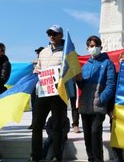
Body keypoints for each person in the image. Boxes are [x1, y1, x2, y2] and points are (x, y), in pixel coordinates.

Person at [30, 25, 80, 162]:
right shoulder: (43, 52)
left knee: (57, 126)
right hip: (43, 92)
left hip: (59, 93)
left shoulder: (68, 51)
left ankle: (57, 156)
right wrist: (36, 70)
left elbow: (75, 70)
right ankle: (35, 156)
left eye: (54, 33)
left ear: (61, 35)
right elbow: (38, 67)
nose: (51, 36)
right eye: (49, 33)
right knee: (37, 125)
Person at [79, 35, 116, 162]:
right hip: (85, 106)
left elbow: (111, 84)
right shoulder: (85, 66)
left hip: (98, 106)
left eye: (96, 46)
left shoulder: (108, 63)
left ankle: (98, 159)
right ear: (87, 48)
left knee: (95, 134)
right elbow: (82, 86)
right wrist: (77, 79)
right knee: (87, 136)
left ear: (101, 47)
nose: (93, 48)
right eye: (91, 46)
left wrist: (101, 99)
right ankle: (91, 158)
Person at [28, 46, 44, 130]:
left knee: (43, 107)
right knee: (34, 106)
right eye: (37, 53)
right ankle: (34, 123)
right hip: (35, 87)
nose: (38, 54)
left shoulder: (46, 62)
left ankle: (42, 123)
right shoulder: (33, 64)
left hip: (44, 87)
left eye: (40, 52)